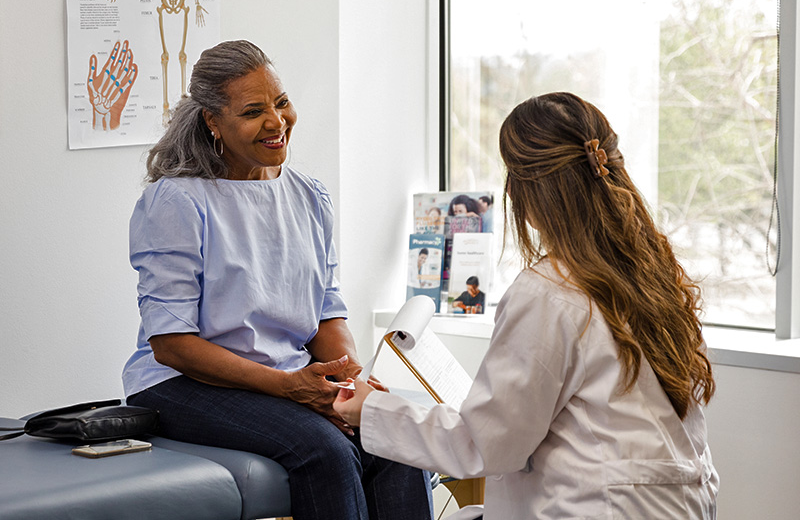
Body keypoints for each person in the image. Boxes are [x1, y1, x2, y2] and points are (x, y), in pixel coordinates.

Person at [336, 92, 718, 519]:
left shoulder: (548, 292)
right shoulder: (656, 276)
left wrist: (370, 408)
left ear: (527, 191)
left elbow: (487, 444)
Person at [121, 40, 433, 520]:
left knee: (392, 436)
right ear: (212, 121)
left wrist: (346, 380)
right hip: (182, 384)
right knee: (326, 451)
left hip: (287, 374)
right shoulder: (178, 201)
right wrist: (290, 387)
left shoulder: (309, 195)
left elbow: (326, 309)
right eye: (252, 111)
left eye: (281, 102)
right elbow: (171, 344)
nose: (276, 121)